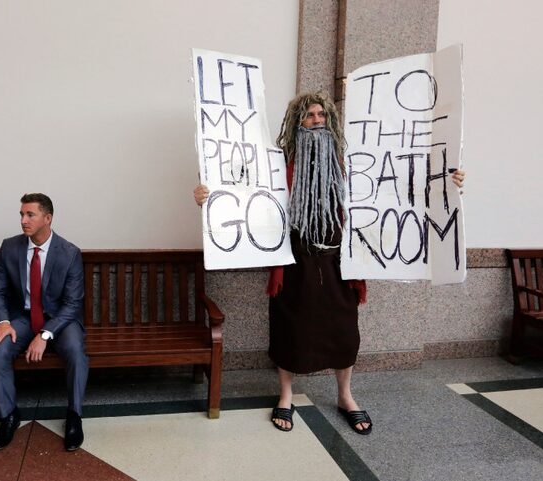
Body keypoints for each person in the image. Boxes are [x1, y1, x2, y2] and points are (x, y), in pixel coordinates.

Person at [194, 91, 465, 434]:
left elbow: (395, 186)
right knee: (289, 328)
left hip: (338, 261)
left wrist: (445, 181)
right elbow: (241, 191)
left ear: (331, 120)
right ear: (297, 123)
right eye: (308, 116)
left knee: (344, 332)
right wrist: (207, 195)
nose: (316, 120)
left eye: (321, 114)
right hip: (294, 261)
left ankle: (345, 395)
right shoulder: (276, 164)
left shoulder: (351, 163)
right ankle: (286, 395)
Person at [0, 193, 87, 451]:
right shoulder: (10, 247)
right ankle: (8, 416)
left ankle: (74, 416)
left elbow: (73, 304)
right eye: (21, 214)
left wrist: (44, 335)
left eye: (30, 214)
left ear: (47, 218)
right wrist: (3, 323)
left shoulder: (69, 252)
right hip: (21, 318)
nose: (23, 220)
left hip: (60, 321)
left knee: (76, 350)